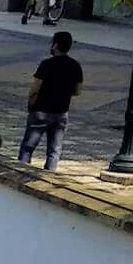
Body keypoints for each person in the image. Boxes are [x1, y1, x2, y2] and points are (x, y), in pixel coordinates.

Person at [21, 31, 83, 171]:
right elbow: (77, 91)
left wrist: (31, 104)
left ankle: (21, 171)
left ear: (55, 45)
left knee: (27, 147)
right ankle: (49, 176)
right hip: (61, 112)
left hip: (41, 111)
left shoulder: (46, 64)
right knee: (54, 151)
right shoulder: (75, 66)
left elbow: (35, 88)